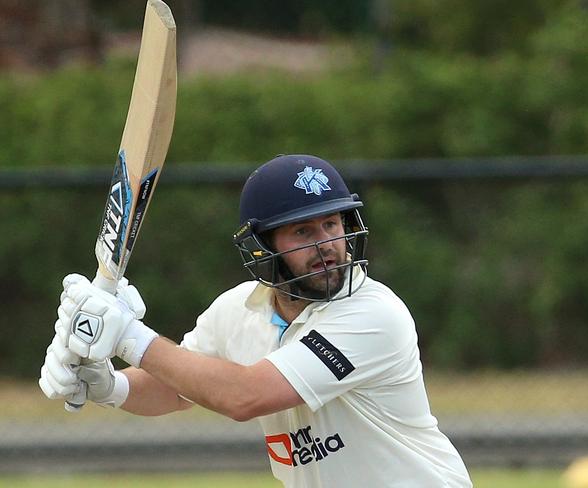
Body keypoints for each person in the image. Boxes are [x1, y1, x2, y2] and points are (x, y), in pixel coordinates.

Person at [39, 154, 473, 487]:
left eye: (331, 224)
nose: (327, 245)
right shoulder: (237, 309)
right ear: (263, 246)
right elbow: (176, 389)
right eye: (303, 232)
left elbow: (245, 397)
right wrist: (111, 387)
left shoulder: (373, 314)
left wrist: (128, 336)